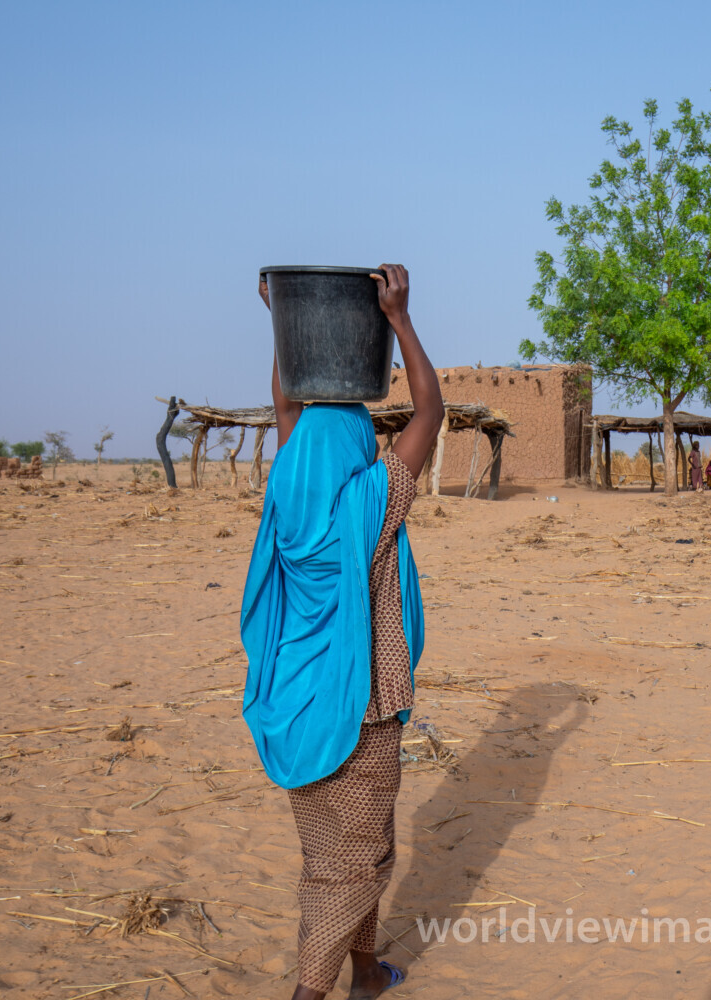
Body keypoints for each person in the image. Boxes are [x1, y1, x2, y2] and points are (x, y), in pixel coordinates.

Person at [242, 264, 443, 1000]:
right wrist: (399, 319)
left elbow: (287, 409)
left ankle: (367, 972)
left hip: (294, 701)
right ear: (360, 449)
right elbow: (430, 414)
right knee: (350, 864)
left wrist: (283, 326)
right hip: (363, 702)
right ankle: (310, 993)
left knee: (341, 849)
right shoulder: (368, 505)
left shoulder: (288, 500)